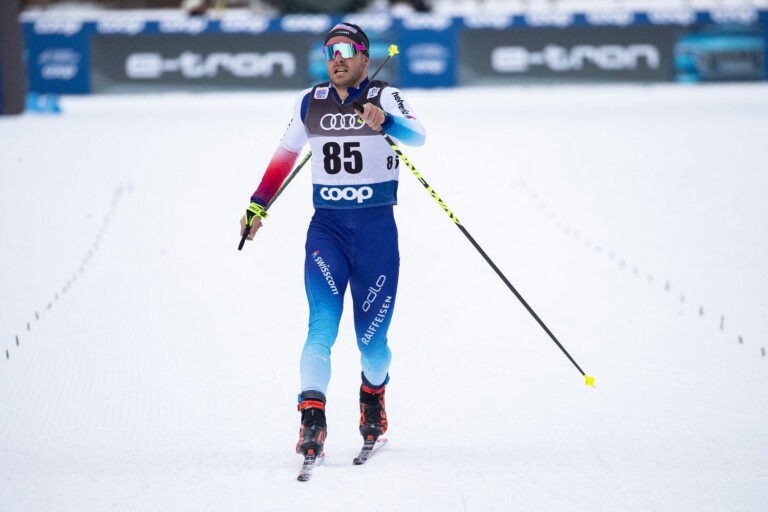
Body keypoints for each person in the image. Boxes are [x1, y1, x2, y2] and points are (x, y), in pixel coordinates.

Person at [240, 22, 426, 457]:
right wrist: (257, 204)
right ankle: (312, 417)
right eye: (329, 52)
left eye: (345, 50)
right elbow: (285, 154)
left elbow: (418, 135)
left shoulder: (384, 95)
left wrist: (387, 121)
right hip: (328, 231)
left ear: (365, 57)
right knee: (321, 326)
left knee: (372, 345)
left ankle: (373, 394)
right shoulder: (311, 102)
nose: (336, 59)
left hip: (376, 235)